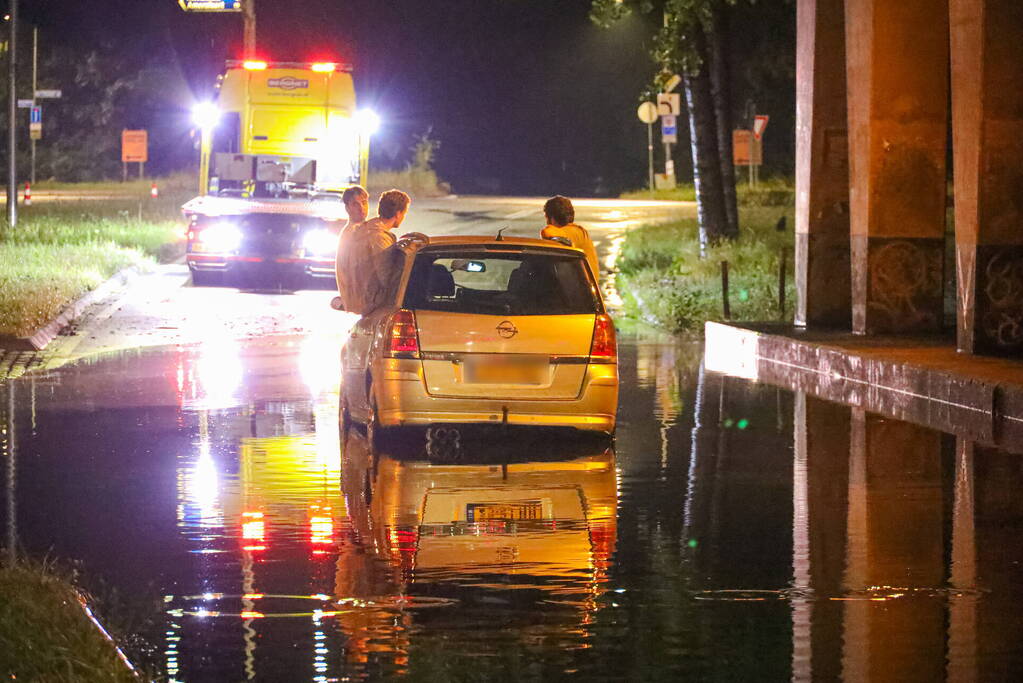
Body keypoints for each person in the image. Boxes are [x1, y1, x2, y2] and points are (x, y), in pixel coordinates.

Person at [340, 189, 412, 315]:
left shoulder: (364, 230)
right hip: (371, 308)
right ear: (398, 214)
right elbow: (387, 278)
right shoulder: (379, 236)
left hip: (358, 306)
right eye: (404, 213)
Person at [540, 195, 599, 282]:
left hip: (577, 293)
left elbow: (547, 232)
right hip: (587, 292)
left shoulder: (571, 232)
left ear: (551, 219)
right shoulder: (580, 232)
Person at [335, 185, 370, 307]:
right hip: (361, 304)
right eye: (355, 204)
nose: (361, 208)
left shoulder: (367, 229)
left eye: (364, 202)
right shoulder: (351, 234)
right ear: (347, 208)